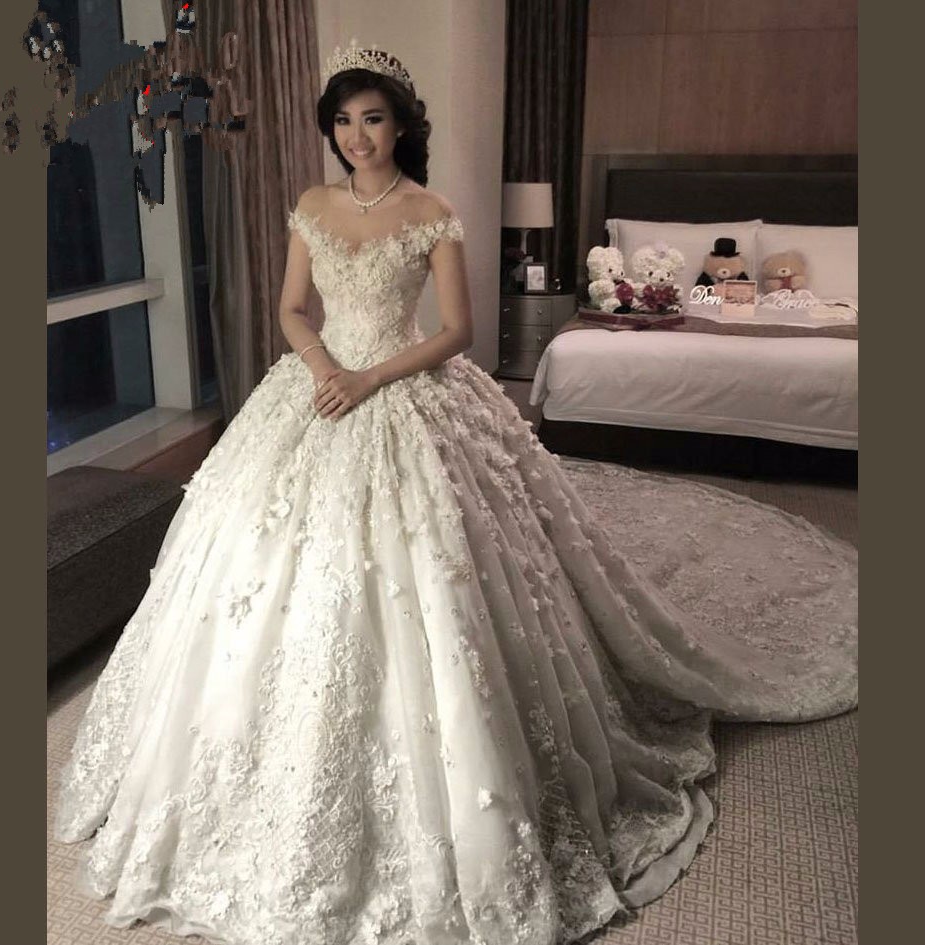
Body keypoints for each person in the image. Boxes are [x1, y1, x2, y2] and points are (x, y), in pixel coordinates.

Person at [54, 41, 857, 945]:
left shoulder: (431, 212)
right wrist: (323, 366)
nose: (357, 136)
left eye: (373, 119)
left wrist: (369, 378)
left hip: (401, 385)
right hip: (315, 386)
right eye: (343, 121)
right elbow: (289, 308)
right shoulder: (312, 204)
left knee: (442, 563)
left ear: (401, 125)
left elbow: (457, 332)